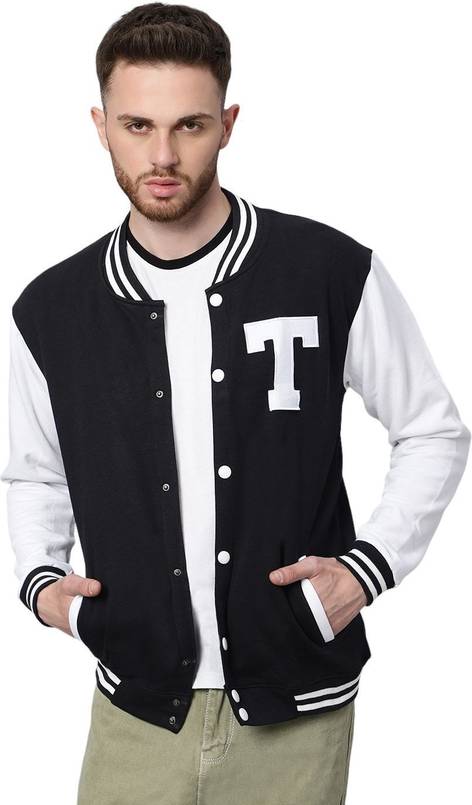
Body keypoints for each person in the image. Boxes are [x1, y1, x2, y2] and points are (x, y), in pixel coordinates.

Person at [1, 3, 469, 804]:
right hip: (136, 707)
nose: (163, 154)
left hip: (298, 704)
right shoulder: (51, 310)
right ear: (101, 127)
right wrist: (44, 583)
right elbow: (33, 472)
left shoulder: (326, 270)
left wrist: (365, 572)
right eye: (138, 125)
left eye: (189, 125)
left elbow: (433, 429)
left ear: (228, 123)